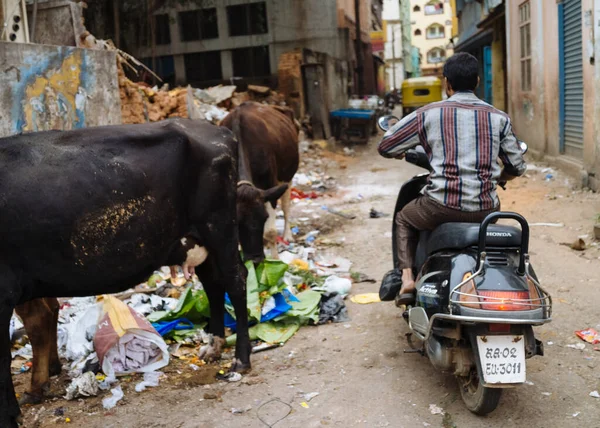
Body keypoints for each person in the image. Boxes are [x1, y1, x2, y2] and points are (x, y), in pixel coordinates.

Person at [377, 52, 527, 305]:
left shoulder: (428, 114)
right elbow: (517, 165)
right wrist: (501, 177)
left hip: (439, 208)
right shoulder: (499, 118)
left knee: (404, 217)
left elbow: (386, 146)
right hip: (485, 210)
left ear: (447, 83)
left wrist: (403, 152)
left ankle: (407, 281)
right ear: (477, 81)